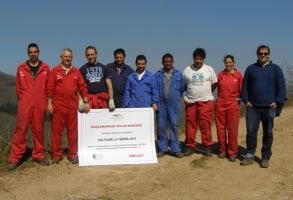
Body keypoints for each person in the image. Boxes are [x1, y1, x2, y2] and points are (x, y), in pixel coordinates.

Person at [241, 45, 286, 168]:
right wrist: (246, 101)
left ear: (269, 55)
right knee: (251, 132)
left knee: (268, 133)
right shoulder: (250, 69)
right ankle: (250, 155)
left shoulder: (276, 69)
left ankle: (265, 157)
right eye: (261, 53)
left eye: (265, 53)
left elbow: (282, 88)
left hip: (269, 108)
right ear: (257, 54)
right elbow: (244, 87)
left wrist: (277, 102)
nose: (263, 55)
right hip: (253, 108)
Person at [7, 43, 51, 170]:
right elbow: (18, 88)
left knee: (38, 129)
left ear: (38, 52)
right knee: (21, 129)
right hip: (25, 103)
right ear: (28, 53)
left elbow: (48, 88)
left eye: (35, 52)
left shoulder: (45, 68)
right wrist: (25, 99)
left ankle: (39, 155)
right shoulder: (21, 68)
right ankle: (15, 157)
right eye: (30, 52)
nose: (33, 54)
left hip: (40, 103)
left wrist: (47, 102)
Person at [47, 48, 90, 165]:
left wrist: (86, 100)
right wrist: (50, 103)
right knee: (56, 132)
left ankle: (73, 154)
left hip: (72, 105)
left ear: (72, 58)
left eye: (69, 57)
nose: (67, 58)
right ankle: (56, 155)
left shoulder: (76, 72)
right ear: (61, 57)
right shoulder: (55, 71)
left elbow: (83, 87)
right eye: (65, 56)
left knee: (73, 132)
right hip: (58, 105)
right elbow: (50, 88)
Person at [182, 48, 217, 157]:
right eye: (196, 59)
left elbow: (215, 83)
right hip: (191, 103)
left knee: (205, 126)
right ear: (193, 58)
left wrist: (206, 93)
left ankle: (207, 147)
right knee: (190, 126)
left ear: (203, 59)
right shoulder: (187, 70)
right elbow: (183, 85)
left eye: (200, 59)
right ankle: (190, 146)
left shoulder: (209, 69)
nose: (198, 61)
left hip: (205, 102)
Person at [154, 53, 185, 158]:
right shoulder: (157, 74)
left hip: (173, 104)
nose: (167, 63)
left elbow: (182, 88)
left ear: (172, 62)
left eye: (169, 61)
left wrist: (174, 97)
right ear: (162, 62)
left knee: (174, 125)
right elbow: (154, 89)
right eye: (165, 61)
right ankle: (163, 148)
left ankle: (175, 149)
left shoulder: (178, 74)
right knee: (161, 126)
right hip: (161, 104)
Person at [215, 55, 243, 162]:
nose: (228, 64)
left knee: (232, 130)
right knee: (220, 129)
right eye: (226, 62)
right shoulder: (220, 75)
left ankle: (232, 152)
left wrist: (237, 102)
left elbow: (241, 90)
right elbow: (217, 89)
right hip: (220, 105)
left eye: (230, 62)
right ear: (224, 63)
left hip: (233, 105)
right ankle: (222, 149)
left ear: (233, 63)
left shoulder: (238, 75)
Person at [79, 46, 115, 111]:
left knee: (102, 120)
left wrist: (111, 99)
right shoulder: (82, 69)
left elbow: (109, 85)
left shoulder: (104, 67)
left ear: (96, 54)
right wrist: (80, 100)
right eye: (88, 55)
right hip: (88, 101)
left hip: (102, 100)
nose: (90, 57)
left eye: (92, 54)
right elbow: (79, 86)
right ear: (86, 56)